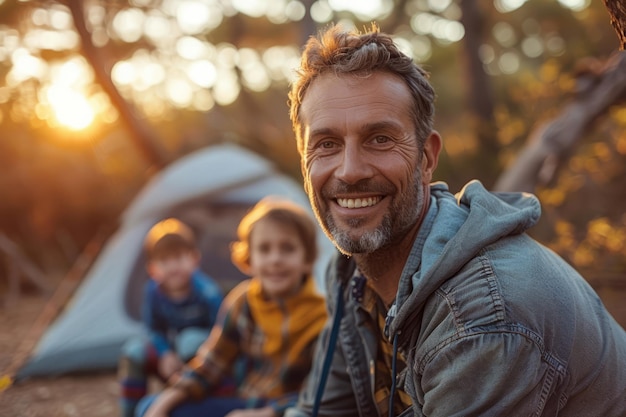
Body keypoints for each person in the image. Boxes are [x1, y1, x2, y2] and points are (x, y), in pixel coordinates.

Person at [284, 23, 626, 417]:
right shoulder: (352, 274)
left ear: (427, 159)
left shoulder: (486, 317)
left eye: (379, 138)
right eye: (326, 144)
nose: (349, 171)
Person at [138, 197, 329, 417]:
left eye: (287, 248)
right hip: (244, 402)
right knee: (150, 407)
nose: (275, 259)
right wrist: (168, 399)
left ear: (307, 258)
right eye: (264, 249)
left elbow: (321, 391)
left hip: (286, 410)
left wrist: (267, 413)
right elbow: (212, 363)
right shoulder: (243, 302)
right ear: (250, 257)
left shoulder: (323, 317)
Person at [118, 217, 225, 417]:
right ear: (152, 268)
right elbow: (152, 329)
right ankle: (130, 413)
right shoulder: (152, 292)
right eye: (165, 260)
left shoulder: (207, 291)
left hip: (202, 359)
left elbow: (221, 333)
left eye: (179, 258)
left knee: (189, 339)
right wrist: (165, 352)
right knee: (133, 351)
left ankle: (192, 402)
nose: (173, 266)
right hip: (167, 355)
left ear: (195, 259)